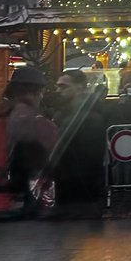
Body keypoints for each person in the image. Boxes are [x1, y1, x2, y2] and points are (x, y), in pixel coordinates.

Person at [0, 64, 58, 214]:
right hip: (28, 182)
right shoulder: (24, 114)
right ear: (31, 92)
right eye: (40, 92)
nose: (41, 96)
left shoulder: (6, 109)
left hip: (17, 180)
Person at [50, 69, 108, 212]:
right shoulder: (62, 114)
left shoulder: (90, 117)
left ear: (80, 88)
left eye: (63, 86)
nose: (58, 90)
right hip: (68, 191)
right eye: (57, 86)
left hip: (82, 193)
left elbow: (90, 158)